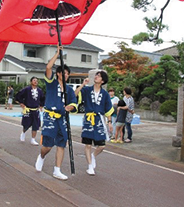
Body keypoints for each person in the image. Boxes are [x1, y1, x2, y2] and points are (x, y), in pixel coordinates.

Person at [35, 45, 77, 181]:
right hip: (50, 117)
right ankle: (41, 156)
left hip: (62, 119)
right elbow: (48, 68)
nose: (65, 75)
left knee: (61, 144)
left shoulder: (69, 90)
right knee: (47, 145)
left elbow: (74, 102)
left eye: (67, 73)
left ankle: (57, 170)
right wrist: (57, 54)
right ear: (58, 74)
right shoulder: (51, 83)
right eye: (62, 72)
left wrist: (70, 107)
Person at [75, 71, 113, 175]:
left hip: (99, 120)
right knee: (88, 144)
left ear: (103, 81)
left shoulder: (105, 94)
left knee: (102, 146)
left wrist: (109, 122)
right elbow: (75, 94)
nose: (96, 77)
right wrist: (83, 84)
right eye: (96, 75)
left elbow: (108, 109)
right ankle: (90, 166)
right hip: (88, 119)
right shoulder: (87, 90)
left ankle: (93, 156)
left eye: (99, 76)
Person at [16, 77, 45, 145]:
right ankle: (23, 133)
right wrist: (21, 103)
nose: (35, 82)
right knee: (26, 124)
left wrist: (41, 105)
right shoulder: (26, 89)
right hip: (28, 109)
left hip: (36, 110)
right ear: (31, 82)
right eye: (34, 80)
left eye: (36, 81)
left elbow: (43, 98)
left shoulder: (39, 91)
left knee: (35, 125)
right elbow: (19, 95)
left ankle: (33, 139)